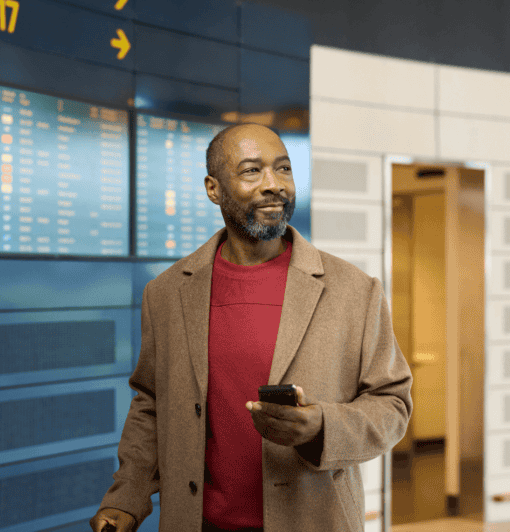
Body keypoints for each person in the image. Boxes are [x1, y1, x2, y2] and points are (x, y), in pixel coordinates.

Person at [90, 123, 413, 532]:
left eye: (283, 169)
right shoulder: (167, 293)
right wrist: (126, 497)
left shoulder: (354, 291)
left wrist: (321, 427)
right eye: (251, 171)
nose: (273, 185)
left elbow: (393, 404)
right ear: (214, 189)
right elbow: (152, 404)